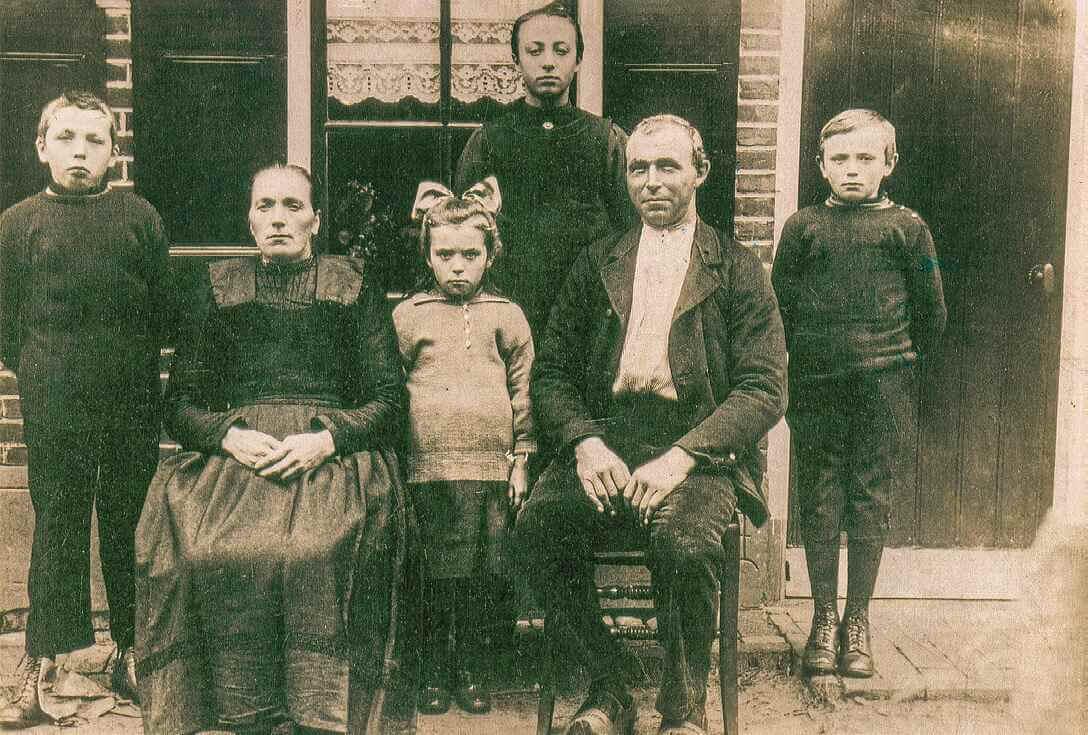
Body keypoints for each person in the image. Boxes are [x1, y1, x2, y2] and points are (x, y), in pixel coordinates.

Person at [516, 114, 787, 735]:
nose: (652, 181)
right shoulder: (598, 262)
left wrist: (683, 456)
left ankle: (683, 713)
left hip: (698, 452)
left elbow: (764, 388)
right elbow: (552, 371)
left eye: (668, 166)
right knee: (536, 531)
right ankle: (609, 687)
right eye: (638, 168)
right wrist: (585, 443)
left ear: (700, 172)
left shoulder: (737, 268)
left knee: (684, 545)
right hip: (608, 443)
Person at [133, 164, 416, 735]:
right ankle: (242, 708)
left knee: (314, 551)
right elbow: (180, 402)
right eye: (266, 206)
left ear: (316, 220)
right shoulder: (219, 286)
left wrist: (328, 438)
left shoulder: (352, 284)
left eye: (292, 206)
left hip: (330, 453)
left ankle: (319, 712)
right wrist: (227, 435)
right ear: (250, 220)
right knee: (212, 551)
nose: (279, 218)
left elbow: (389, 399)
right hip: (242, 453)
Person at [0, 91, 174, 726]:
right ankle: (43, 659)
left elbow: (161, 309)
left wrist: (126, 363)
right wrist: (45, 366)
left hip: (129, 395)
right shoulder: (18, 224)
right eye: (66, 138)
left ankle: (131, 650)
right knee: (58, 521)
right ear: (41, 147)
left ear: (113, 152)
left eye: (95, 140)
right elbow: (7, 321)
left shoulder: (138, 217)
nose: (80, 151)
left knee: (129, 520)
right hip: (54, 398)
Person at [771, 109, 946, 678]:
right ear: (821, 165)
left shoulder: (909, 229)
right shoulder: (803, 228)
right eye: (840, 158)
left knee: (870, 496)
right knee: (821, 494)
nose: (852, 169)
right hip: (817, 386)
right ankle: (824, 618)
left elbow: (932, 312)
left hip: (883, 385)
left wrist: (898, 362)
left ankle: (858, 620)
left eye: (866, 158)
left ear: (889, 164)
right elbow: (779, 308)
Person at [393, 177, 535, 717]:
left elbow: (524, 391)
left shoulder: (506, 315)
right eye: (445, 255)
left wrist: (522, 459)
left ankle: (472, 669)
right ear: (428, 256)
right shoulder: (409, 316)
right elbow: (391, 392)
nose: (457, 267)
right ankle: (432, 671)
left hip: (490, 471)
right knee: (433, 578)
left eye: (470, 255)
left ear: (489, 255)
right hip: (427, 471)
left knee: (481, 578)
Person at [454, 1, 635, 340]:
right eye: (534, 51)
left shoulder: (606, 139)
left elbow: (630, 233)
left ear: (578, 60)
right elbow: (461, 231)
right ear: (516, 60)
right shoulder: (489, 140)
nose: (548, 61)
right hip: (509, 310)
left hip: (588, 313)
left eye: (561, 51)